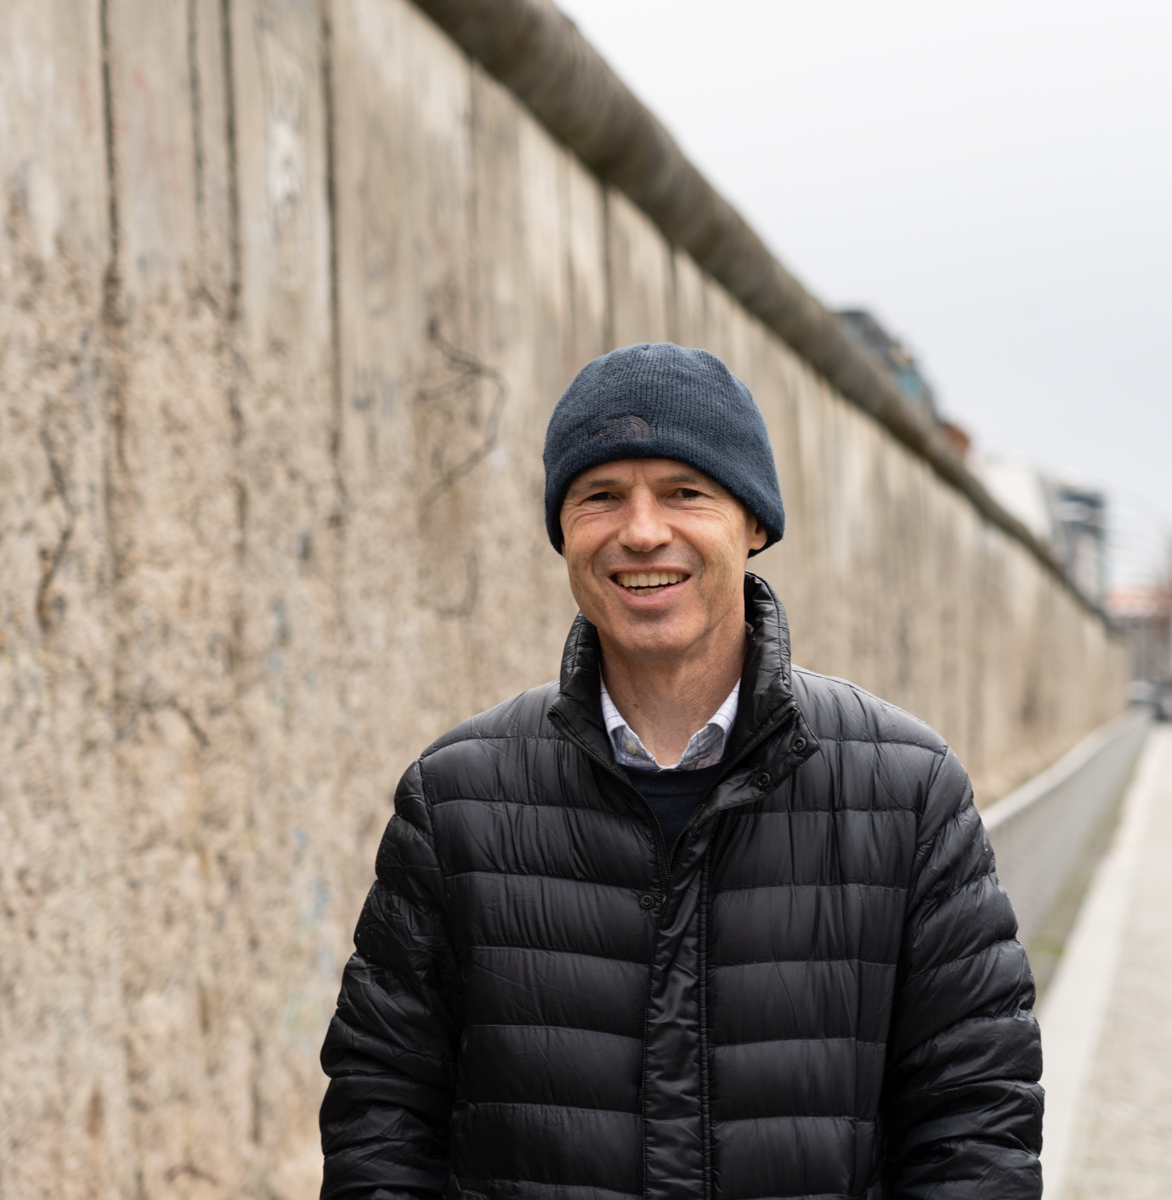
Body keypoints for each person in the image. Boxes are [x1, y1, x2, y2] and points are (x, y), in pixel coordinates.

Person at [318, 344, 1042, 1199]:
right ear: (563, 533)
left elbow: (975, 1125)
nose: (641, 531)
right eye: (600, 496)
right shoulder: (455, 799)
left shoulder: (909, 792)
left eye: (684, 492)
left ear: (754, 523)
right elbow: (382, 1115)